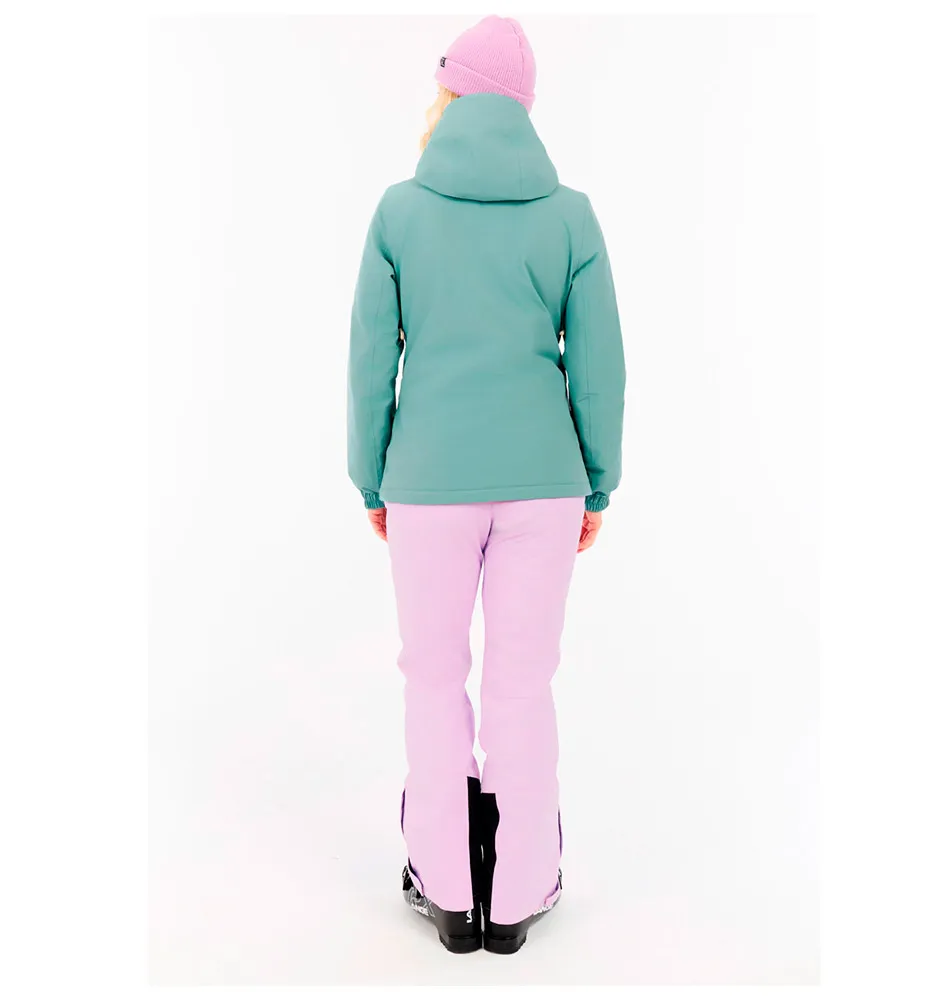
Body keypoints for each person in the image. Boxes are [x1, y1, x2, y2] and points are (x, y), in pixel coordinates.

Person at [346, 15, 625, 954]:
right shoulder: (570, 215)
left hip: (426, 483)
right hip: (544, 485)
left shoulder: (399, 212)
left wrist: (372, 478)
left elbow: (369, 365)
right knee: (522, 687)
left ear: (452, 93)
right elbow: (600, 369)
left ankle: (445, 889)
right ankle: (518, 895)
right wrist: (596, 484)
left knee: (432, 680)